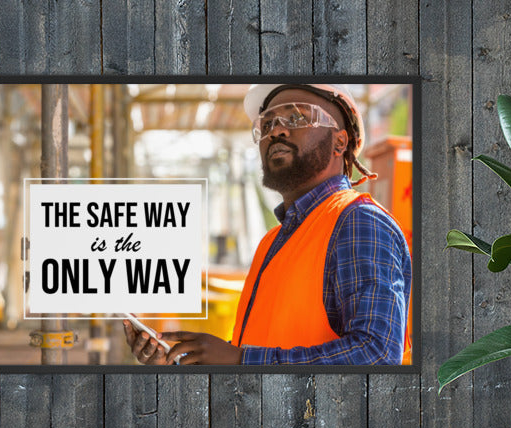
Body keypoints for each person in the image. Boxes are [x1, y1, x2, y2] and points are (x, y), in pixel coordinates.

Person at [126, 82, 411, 366]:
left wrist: (239, 360)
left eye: (297, 117)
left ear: (340, 142)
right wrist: (181, 360)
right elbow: (265, 345)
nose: (276, 130)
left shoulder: (359, 222)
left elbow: (378, 356)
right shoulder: (274, 240)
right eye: (267, 125)